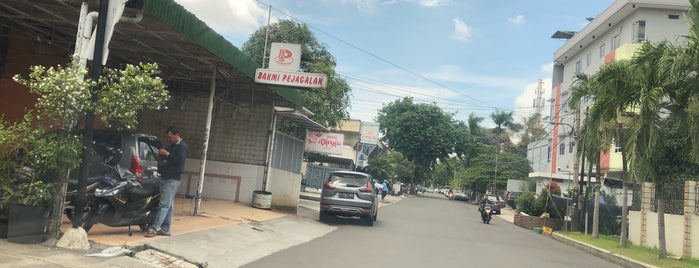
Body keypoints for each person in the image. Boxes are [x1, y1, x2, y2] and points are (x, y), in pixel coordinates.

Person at [146, 126, 188, 238]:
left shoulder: (182, 147)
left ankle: (154, 228)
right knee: (169, 205)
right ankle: (165, 229)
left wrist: (167, 154)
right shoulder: (174, 146)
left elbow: (179, 161)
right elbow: (165, 154)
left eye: (170, 137)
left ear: (176, 135)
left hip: (172, 178)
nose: (169, 139)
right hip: (167, 177)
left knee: (163, 205)